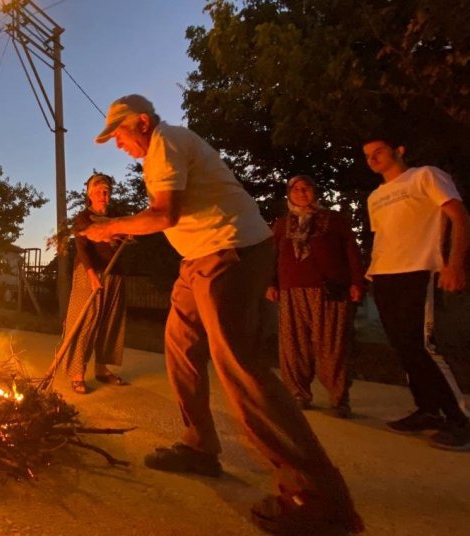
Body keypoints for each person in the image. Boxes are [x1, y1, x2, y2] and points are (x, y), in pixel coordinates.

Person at [83, 94, 363, 534]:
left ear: (141, 122)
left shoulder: (166, 142)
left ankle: (318, 496)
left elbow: (164, 214)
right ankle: (199, 446)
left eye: (118, 134)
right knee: (179, 345)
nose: (117, 144)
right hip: (197, 261)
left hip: (228, 253)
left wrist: (110, 226)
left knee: (240, 366)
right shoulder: (157, 153)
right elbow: (173, 215)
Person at [362, 136, 470, 451]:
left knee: (420, 345)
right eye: (367, 156)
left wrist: (454, 264)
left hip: (417, 269)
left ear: (399, 150)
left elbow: (459, 217)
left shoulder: (425, 176)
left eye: (378, 151)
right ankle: (427, 410)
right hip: (383, 274)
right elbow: (385, 236)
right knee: (402, 346)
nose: (372, 158)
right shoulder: (376, 196)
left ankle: (459, 420)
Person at [266, 175, 365, 418]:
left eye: (306, 188)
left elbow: (351, 250)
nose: (301, 192)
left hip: (328, 288)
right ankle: (298, 393)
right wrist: (271, 282)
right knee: (293, 343)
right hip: (291, 288)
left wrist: (356, 282)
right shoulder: (281, 224)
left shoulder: (335, 220)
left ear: (314, 191)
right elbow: (273, 255)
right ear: (289, 194)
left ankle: (339, 399)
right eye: (296, 189)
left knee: (332, 343)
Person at [61, 173, 128, 394]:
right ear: (90, 194)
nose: (104, 194)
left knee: (110, 322)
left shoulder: (116, 218)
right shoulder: (84, 218)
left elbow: (122, 240)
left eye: (107, 190)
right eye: (99, 190)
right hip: (89, 273)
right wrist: (91, 275)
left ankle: (101, 369)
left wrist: (121, 238)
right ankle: (77, 373)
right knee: (85, 322)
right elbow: (82, 248)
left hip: (114, 274)